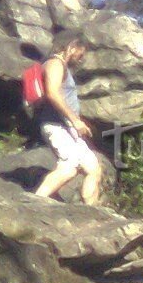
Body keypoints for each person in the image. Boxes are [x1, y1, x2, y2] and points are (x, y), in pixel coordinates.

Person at [31, 31, 103, 205]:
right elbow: (52, 93)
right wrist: (75, 120)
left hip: (67, 127)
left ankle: (91, 213)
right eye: (80, 53)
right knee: (69, 168)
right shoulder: (55, 63)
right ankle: (34, 202)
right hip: (57, 125)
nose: (81, 58)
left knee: (94, 168)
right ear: (71, 47)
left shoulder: (61, 65)